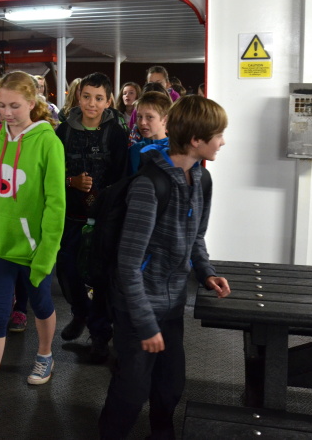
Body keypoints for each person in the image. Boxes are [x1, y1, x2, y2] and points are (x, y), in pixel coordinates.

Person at [98, 96, 232, 440]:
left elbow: (196, 236)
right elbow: (128, 266)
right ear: (196, 140)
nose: (223, 142)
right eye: (218, 135)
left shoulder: (201, 179)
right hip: (137, 308)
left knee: (170, 384)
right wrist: (146, 324)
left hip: (171, 306)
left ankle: (161, 433)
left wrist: (206, 272)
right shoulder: (149, 185)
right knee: (131, 390)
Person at [0, 71, 65, 417]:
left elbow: (56, 204)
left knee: (41, 303)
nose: (6, 113)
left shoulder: (48, 142)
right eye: (1, 106)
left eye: (14, 106)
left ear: (32, 103)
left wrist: (46, 254)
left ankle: (45, 354)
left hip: (33, 247)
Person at [54, 72, 128, 364]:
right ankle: (80, 313)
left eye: (98, 98)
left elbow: (122, 177)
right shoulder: (62, 132)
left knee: (100, 277)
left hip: (103, 221)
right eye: (86, 97)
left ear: (108, 101)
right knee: (67, 270)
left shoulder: (116, 133)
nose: (91, 104)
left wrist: (105, 202)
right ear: (78, 97)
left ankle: (99, 335)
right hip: (70, 217)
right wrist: (70, 181)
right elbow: (50, 172)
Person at [127, 91, 172, 175]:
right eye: (139, 117)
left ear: (165, 119)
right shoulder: (135, 149)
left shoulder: (175, 149)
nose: (142, 122)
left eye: (149, 117)